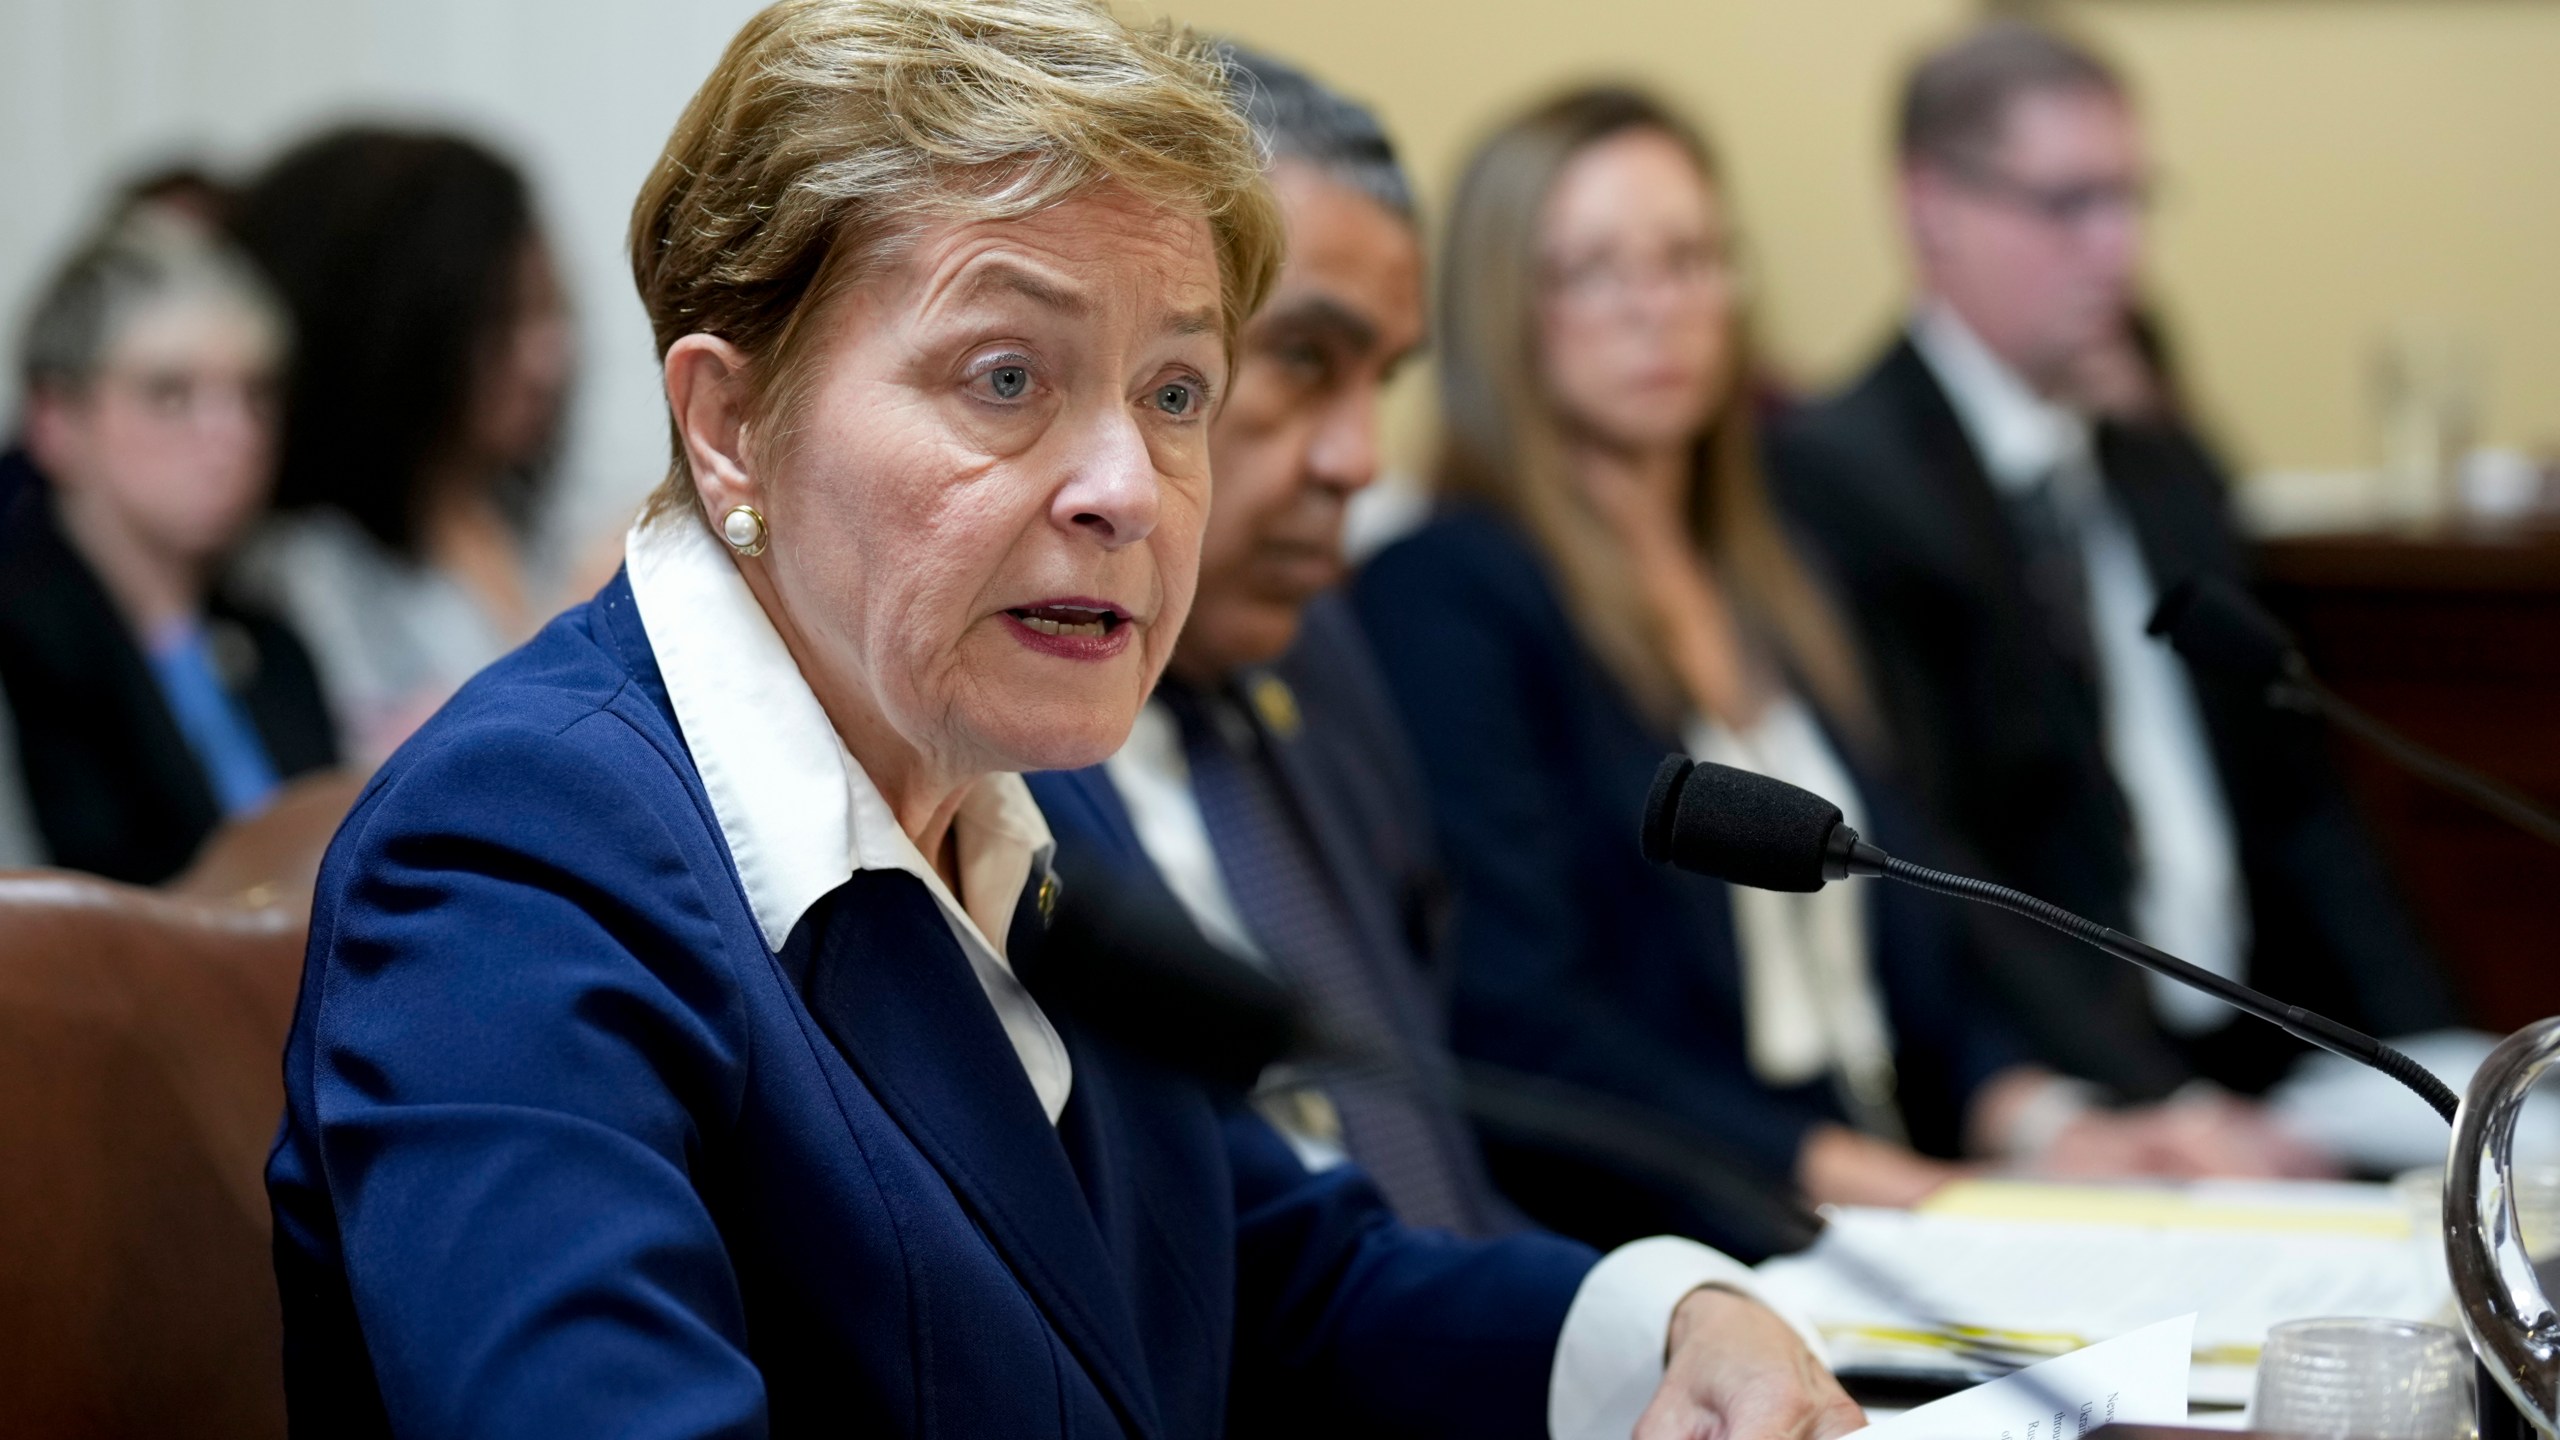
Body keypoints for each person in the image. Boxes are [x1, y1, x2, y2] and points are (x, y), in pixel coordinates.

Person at [265, 6, 1865, 1439]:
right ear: (732, 423)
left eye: (1176, 392)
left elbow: (1275, 1288)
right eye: (1008, 376)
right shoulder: (513, 858)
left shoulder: (1024, 796)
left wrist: (1667, 1320)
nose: (1125, 491)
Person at [1354, 85, 2301, 1212]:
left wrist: (2055, 1127)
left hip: (1891, 1194)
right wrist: (1899, 1189)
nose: (1656, 307)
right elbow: (1528, 1027)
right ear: (1505, 304)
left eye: (1690, 258)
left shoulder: (1776, 569)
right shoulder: (1448, 591)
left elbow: (1919, 951)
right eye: (1593, 270)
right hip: (1686, 1234)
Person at [1765, 21, 2457, 1103]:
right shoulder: (1839, 478)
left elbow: (2300, 803)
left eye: (2133, 198)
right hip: (2079, 1087)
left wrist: (2438, 1067)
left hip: (2273, 1051)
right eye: (2069, 203)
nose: (2118, 248)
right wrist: (2151, 1106)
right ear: (1929, 205)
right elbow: (1938, 869)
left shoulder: (2157, 456)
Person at [1029, 44, 1532, 1242]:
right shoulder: (989, 716)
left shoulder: (1320, 653)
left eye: (1383, 380)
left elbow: (1434, 1169)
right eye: (1304, 359)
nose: (1356, 459)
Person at [0, 211, 336, 884]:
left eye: (255, 394)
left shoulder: (272, 635)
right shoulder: (21, 642)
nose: (232, 434)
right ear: (55, 420)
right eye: (170, 394)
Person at [228, 127, 575, 767]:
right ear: (397, 331)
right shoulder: (295, 580)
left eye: (553, 312)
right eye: (502, 322)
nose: (546, 359)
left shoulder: (530, 528)